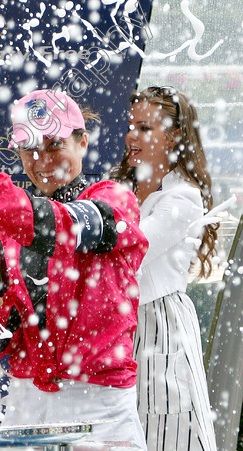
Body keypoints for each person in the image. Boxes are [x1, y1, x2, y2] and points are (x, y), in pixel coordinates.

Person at [0, 89, 149, 447]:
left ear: (83, 142)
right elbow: (4, 340)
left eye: (54, 145)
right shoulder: (8, 227)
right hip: (27, 406)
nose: (41, 161)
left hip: (99, 408)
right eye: (29, 149)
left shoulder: (116, 200)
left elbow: (63, 228)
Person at [111, 86, 218, 450]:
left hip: (159, 326)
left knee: (169, 431)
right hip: (121, 325)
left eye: (144, 128)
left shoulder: (183, 198)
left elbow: (129, 252)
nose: (131, 135)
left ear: (173, 135)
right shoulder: (120, 187)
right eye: (131, 125)